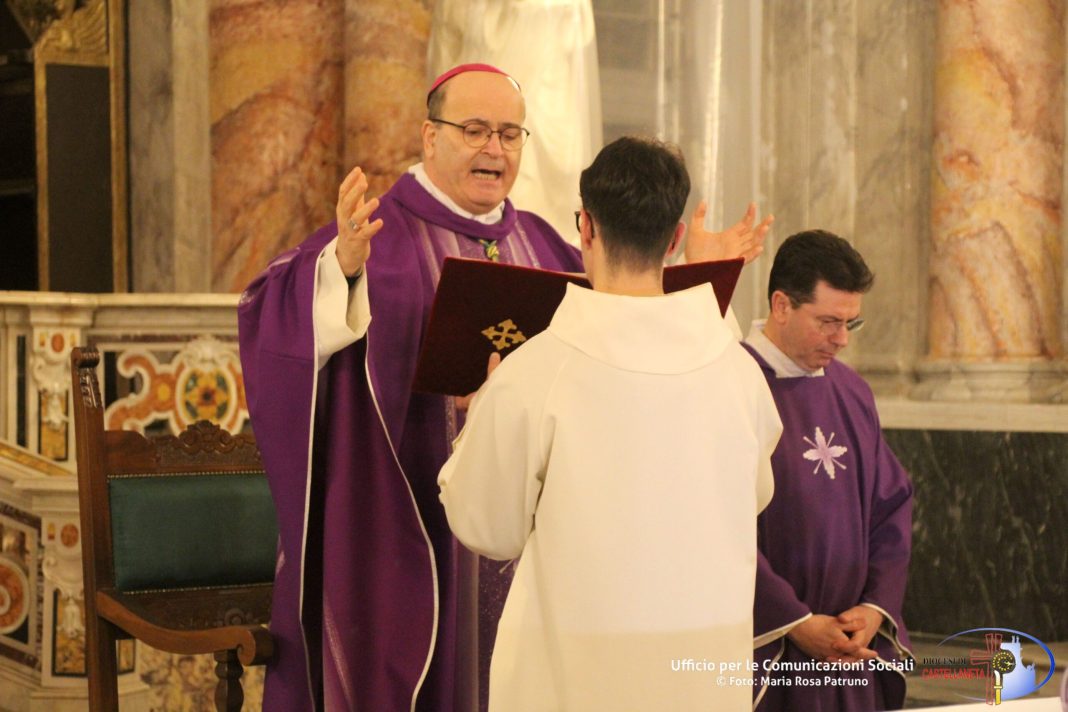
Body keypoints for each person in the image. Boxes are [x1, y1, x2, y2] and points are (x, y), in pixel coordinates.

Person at [239, 63, 769, 711]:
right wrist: (340, 273)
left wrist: (691, 270)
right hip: (408, 532)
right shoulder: (376, 236)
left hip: (543, 549)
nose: (495, 149)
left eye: (511, 134)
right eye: (475, 130)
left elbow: (634, 322)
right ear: (429, 137)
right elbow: (268, 315)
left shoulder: (544, 243)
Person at [438, 136, 783, 711]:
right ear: (676, 238)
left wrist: (480, 414)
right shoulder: (737, 369)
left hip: (577, 671)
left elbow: (485, 525)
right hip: (700, 671)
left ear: (586, 229)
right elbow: (755, 494)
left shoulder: (534, 373)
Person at [742, 231, 914, 711]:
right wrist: (794, 621)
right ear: (781, 305)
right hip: (771, 651)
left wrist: (873, 610)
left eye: (850, 324)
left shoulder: (852, 390)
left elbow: (892, 505)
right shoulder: (732, 384)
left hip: (849, 649)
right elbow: (714, 524)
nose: (841, 340)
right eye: (828, 322)